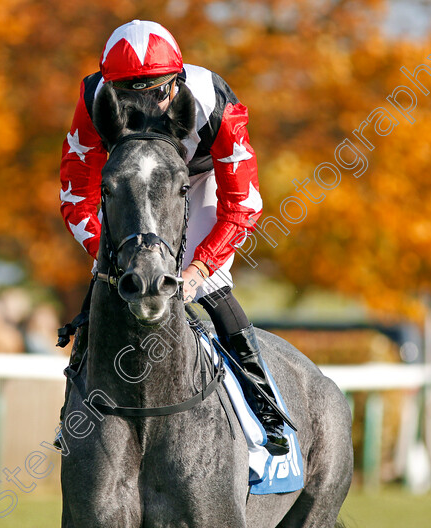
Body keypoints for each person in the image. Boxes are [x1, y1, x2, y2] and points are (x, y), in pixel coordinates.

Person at [56, 20, 288, 454]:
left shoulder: (215, 103)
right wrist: (104, 253)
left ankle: (265, 405)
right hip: (132, 179)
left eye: (156, 93)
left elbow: (244, 205)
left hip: (198, 180)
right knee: (106, 277)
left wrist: (200, 268)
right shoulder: (92, 99)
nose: (146, 107)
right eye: (129, 96)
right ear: (110, 91)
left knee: (212, 286)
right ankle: (77, 410)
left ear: (176, 83)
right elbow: (75, 194)